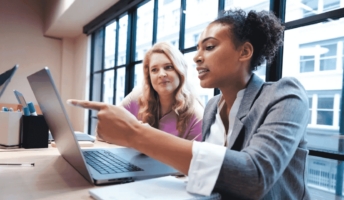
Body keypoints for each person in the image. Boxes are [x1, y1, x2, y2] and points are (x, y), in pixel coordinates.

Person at [69, 9, 310, 200]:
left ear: (244, 52)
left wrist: (135, 134)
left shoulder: (285, 95)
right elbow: (206, 173)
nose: (196, 57)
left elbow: (254, 177)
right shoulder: (213, 107)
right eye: (197, 49)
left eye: (210, 47)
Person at [118, 42, 203, 141]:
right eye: (154, 70)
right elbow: (109, 126)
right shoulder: (136, 97)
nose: (161, 74)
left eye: (168, 67)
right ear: (149, 76)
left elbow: (192, 156)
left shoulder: (196, 116)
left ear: (181, 71)